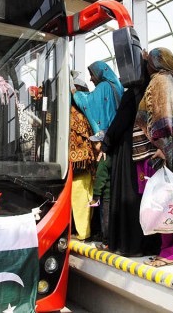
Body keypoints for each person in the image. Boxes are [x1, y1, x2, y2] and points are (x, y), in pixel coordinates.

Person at [100, 52, 160, 257]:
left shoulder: (133, 93)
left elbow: (120, 122)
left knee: (128, 195)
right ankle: (149, 244)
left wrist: (106, 145)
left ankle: (129, 244)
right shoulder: (152, 90)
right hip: (150, 148)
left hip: (128, 149)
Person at [140, 47, 173, 267]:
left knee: (165, 201)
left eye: (149, 61)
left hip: (165, 149)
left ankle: (169, 253)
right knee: (172, 201)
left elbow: (164, 116)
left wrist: (163, 148)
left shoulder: (161, 80)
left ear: (156, 64)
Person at [71, 61, 123, 249]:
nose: (91, 79)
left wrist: (73, 92)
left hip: (106, 140)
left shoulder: (103, 87)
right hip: (117, 141)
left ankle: (107, 238)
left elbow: (89, 104)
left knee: (105, 191)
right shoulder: (115, 86)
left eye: (92, 74)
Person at [69, 78, 98, 242]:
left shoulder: (72, 114)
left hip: (79, 165)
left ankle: (83, 233)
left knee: (80, 199)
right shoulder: (84, 112)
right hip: (87, 164)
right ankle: (85, 231)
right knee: (87, 197)